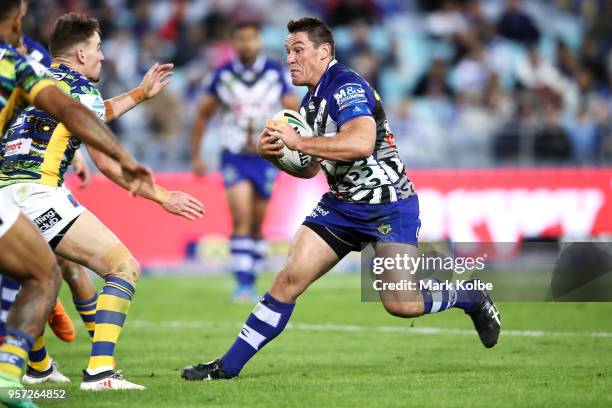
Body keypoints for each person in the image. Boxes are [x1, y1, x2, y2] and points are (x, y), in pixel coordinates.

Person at [182, 17, 501, 381]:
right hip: (341, 206)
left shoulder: (345, 86)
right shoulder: (311, 101)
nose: (290, 59)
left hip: (388, 206)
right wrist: (273, 154)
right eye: (287, 51)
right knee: (288, 280)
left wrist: (298, 141)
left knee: (402, 304)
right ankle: (227, 367)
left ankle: (470, 296)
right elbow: (311, 167)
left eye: (298, 50)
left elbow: (360, 143)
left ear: (324, 52)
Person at [0, 12, 204, 390]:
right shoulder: (79, 89)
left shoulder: (33, 81)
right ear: (79, 54)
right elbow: (107, 161)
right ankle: (101, 372)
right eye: (97, 48)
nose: (102, 56)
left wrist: (140, 94)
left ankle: (39, 368)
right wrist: (162, 196)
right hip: (38, 192)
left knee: (36, 276)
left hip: (5, 196)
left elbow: (88, 116)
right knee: (122, 267)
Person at [191, 21, 299, 302]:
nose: (246, 44)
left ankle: (251, 277)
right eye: (240, 39)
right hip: (234, 154)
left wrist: (299, 145)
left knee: (257, 224)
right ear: (234, 43)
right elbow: (203, 114)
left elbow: (295, 110)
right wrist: (197, 154)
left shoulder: (276, 73)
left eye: (251, 38)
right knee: (241, 218)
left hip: (267, 156)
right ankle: (242, 285)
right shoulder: (222, 75)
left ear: (259, 41)